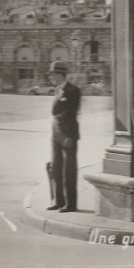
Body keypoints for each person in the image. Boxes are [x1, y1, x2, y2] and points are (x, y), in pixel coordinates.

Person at [47, 61, 81, 213]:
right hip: (56, 134)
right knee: (56, 168)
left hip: (68, 135)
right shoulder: (58, 90)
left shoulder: (73, 90)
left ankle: (70, 204)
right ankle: (58, 201)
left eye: (53, 75)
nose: (51, 78)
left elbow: (69, 113)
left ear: (60, 74)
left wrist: (68, 136)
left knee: (69, 170)